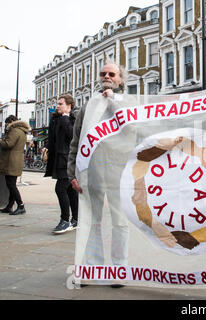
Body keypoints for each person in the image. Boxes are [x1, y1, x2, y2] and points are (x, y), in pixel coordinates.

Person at [67, 61, 130, 287]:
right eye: (103, 73)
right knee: (92, 221)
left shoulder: (129, 103)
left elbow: (133, 132)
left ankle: (119, 269)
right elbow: (76, 142)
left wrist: (113, 101)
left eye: (111, 74)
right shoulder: (88, 107)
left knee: (120, 222)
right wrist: (72, 173)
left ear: (120, 79)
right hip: (91, 172)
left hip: (119, 173)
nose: (106, 76)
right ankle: (94, 267)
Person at [44, 94, 79, 234]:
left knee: (60, 189)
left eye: (60, 104)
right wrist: (47, 146)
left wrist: (65, 117)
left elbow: (72, 135)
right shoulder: (56, 120)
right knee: (70, 190)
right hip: (58, 159)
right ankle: (76, 219)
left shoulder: (72, 118)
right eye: (57, 104)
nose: (57, 106)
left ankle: (65, 220)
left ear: (69, 105)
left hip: (68, 160)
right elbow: (54, 138)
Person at [0, 115, 31, 215]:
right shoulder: (21, 131)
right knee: (11, 183)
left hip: (11, 160)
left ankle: (21, 205)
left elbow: (8, 144)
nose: (7, 126)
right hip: (15, 160)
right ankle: (9, 206)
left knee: (11, 184)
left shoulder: (14, 131)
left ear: (12, 122)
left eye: (7, 123)